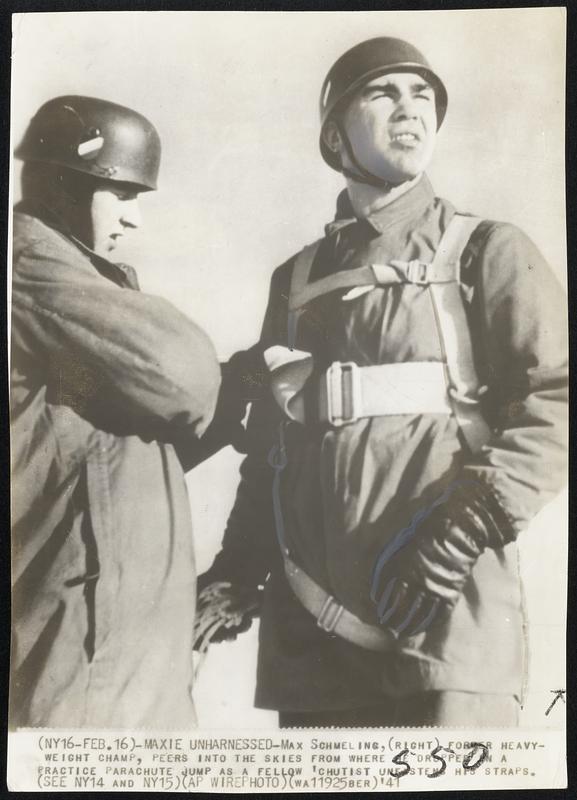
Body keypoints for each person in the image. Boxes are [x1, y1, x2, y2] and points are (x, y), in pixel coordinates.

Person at [198, 37, 567, 728]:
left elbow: (557, 403)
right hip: (310, 640)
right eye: (383, 92)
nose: (410, 108)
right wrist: (238, 568)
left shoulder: (485, 251)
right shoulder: (297, 282)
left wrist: (464, 530)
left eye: (422, 93)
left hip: (440, 621)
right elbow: (273, 449)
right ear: (334, 133)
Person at [10, 95, 224, 728]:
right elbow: (181, 374)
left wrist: (241, 388)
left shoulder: (62, 296)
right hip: (88, 670)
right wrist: (228, 384)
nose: (134, 221)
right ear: (64, 186)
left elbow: (105, 447)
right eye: (122, 195)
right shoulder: (31, 268)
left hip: (119, 662)